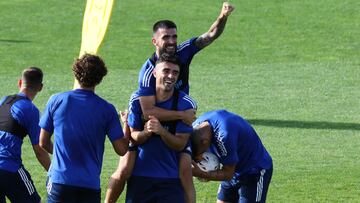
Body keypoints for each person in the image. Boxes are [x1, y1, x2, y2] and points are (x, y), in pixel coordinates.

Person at [105, 2, 235, 202]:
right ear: (155, 41)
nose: (172, 41)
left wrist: (223, 16)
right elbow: (148, 110)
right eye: (166, 37)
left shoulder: (183, 53)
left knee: (185, 171)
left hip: (177, 120)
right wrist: (182, 115)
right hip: (151, 119)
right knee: (124, 169)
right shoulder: (148, 74)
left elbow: (210, 36)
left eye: (174, 36)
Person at [39, 54, 129, 203]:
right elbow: (121, 149)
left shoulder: (57, 100)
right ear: (100, 77)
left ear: (76, 73)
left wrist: (64, 154)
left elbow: (43, 142)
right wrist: (126, 124)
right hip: (89, 186)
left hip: (60, 181)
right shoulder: (107, 109)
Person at [126, 54, 196, 202]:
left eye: (175, 72)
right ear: (155, 73)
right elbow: (134, 137)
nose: (170, 76)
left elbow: (180, 144)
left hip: (170, 179)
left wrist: (162, 131)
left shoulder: (186, 104)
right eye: (166, 71)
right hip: (140, 177)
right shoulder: (137, 99)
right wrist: (146, 133)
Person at [191, 110, 273, 203]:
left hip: (254, 171)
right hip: (233, 167)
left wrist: (200, 173)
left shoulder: (223, 136)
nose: (200, 158)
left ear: (204, 142)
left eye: (201, 153)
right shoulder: (196, 127)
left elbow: (228, 174)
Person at [0, 67, 51, 203]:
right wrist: (53, 172)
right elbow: (40, 149)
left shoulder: (4, 101)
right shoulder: (30, 109)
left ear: (19, 82)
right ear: (40, 87)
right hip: (9, 167)